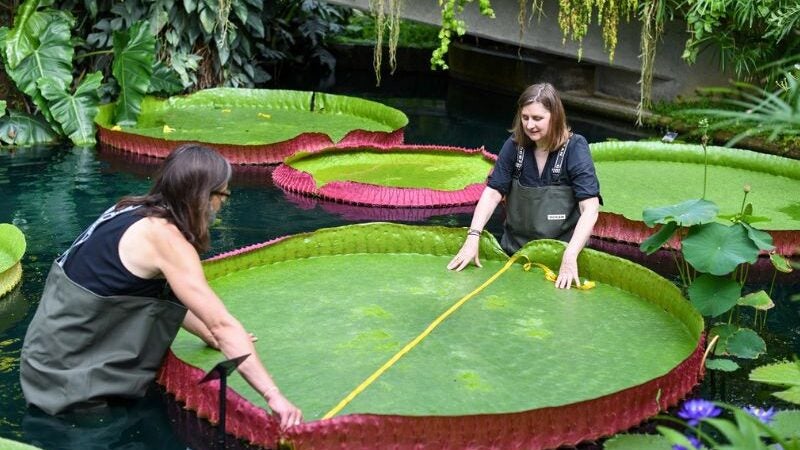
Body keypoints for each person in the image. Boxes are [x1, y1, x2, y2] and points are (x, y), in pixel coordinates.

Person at [20, 144, 303, 428]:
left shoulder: (129, 209)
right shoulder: (166, 240)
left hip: (42, 360)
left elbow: (162, 294)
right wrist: (273, 395)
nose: (224, 204)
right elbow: (223, 325)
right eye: (223, 195)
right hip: (70, 382)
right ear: (202, 196)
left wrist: (208, 336)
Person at [447, 83, 601, 288]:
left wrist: (570, 255)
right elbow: (492, 193)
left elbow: (590, 208)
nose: (530, 125)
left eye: (538, 118)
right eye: (525, 117)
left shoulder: (575, 147)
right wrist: (473, 236)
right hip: (515, 254)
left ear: (555, 117)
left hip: (561, 256)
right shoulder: (514, 146)